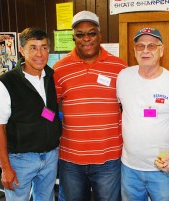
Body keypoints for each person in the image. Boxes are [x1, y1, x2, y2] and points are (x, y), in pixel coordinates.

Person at [53, 10, 127, 201]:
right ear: (73, 38)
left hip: (109, 158)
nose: (86, 38)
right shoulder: (59, 69)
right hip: (71, 160)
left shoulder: (119, 67)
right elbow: (49, 109)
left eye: (91, 33)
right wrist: (42, 121)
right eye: (80, 34)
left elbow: (130, 107)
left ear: (99, 35)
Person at [0, 27, 62, 201]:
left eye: (44, 47)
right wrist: (5, 168)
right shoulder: (6, 83)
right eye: (33, 47)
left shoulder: (51, 77)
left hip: (50, 156)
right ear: (22, 50)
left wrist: (54, 129)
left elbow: (46, 112)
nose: (40, 53)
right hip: (21, 159)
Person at [116, 27, 169, 201]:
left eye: (152, 46)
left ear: (161, 50)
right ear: (134, 51)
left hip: (163, 169)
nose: (145, 50)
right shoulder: (123, 77)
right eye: (141, 46)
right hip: (129, 168)